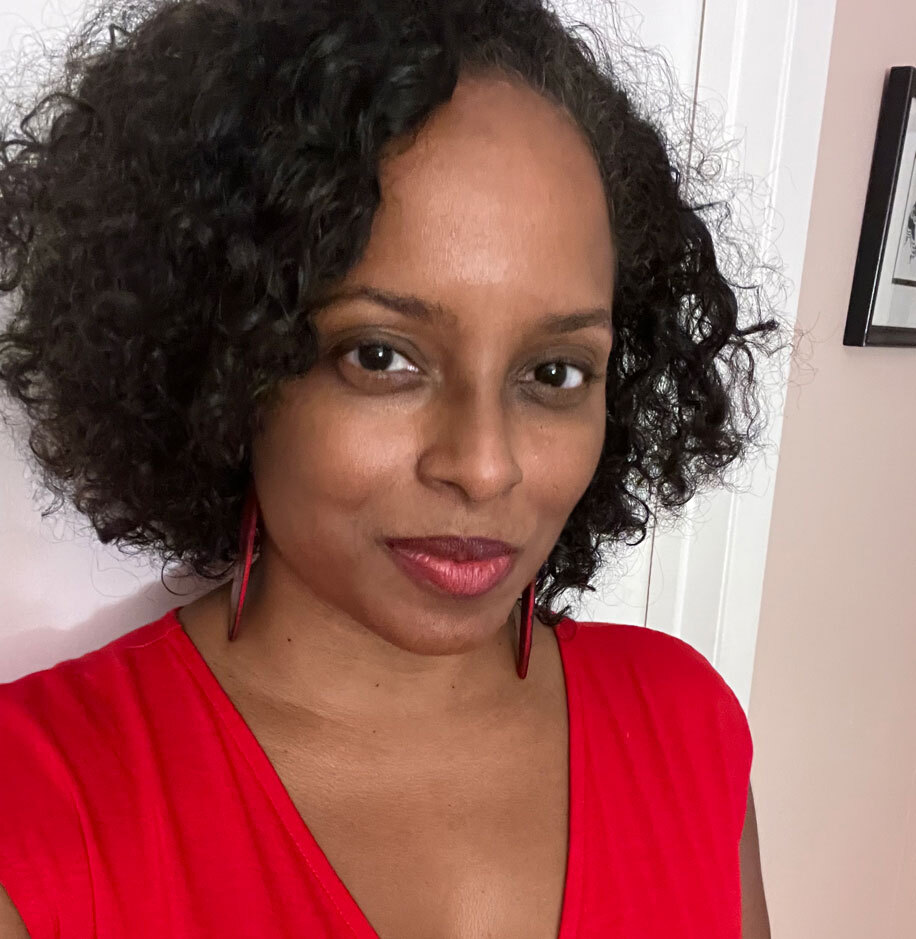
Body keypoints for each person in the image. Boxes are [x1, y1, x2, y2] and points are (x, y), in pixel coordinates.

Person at [0, 0, 775, 935]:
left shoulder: (686, 731)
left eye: (554, 372)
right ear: (229, 359)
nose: (483, 467)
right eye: (380, 356)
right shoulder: (38, 811)